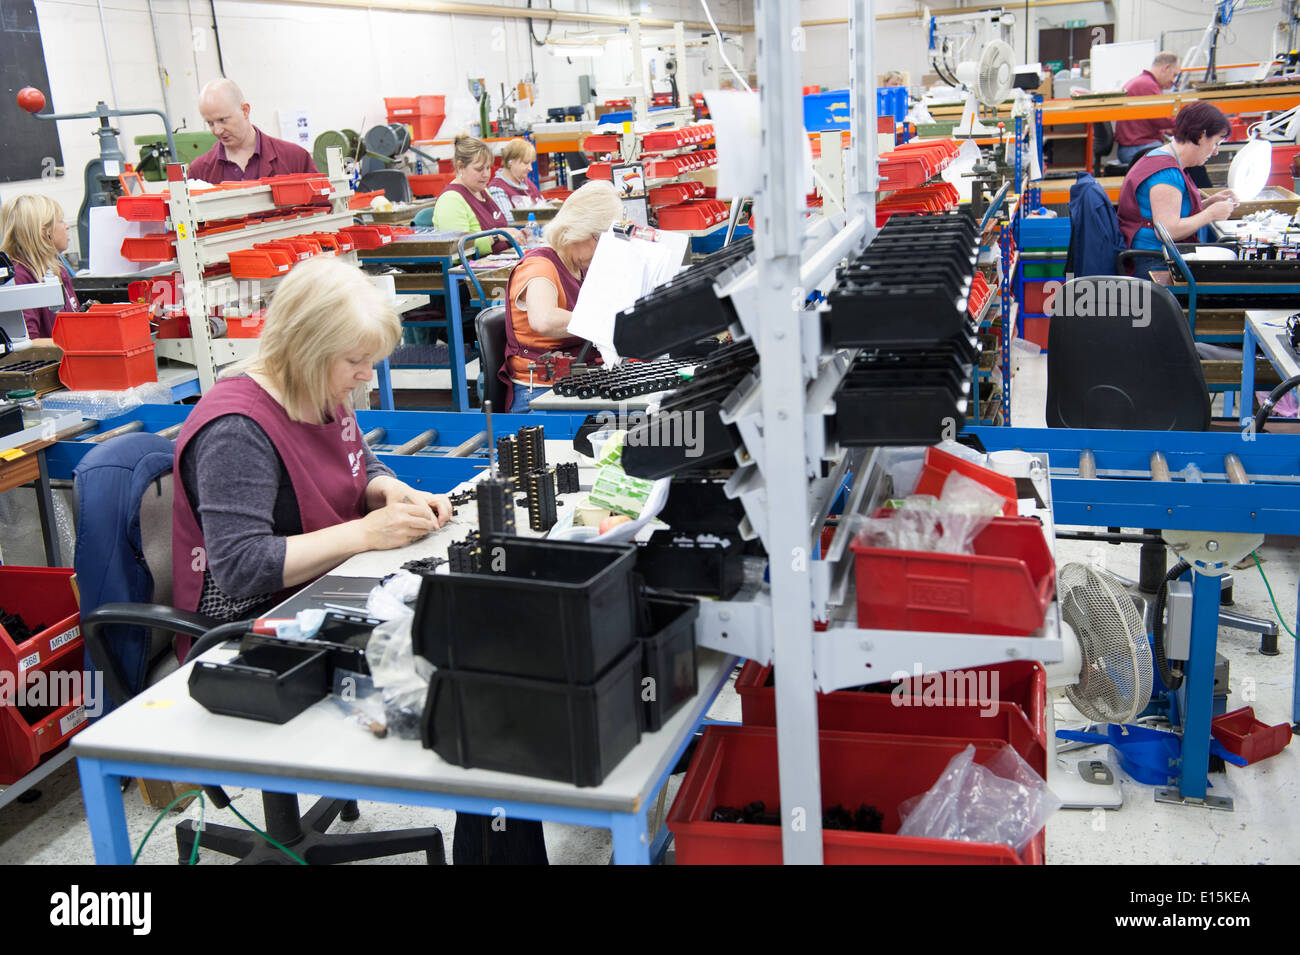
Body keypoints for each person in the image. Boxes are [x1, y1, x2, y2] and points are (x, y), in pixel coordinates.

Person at [172, 256, 451, 624]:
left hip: (327, 582)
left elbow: (361, 466)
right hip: (253, 621)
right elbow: (241, 566)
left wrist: (390, 490)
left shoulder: (320, 392)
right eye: (355, 360)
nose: (366, 374)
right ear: (306, 352)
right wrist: (366, 533)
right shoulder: (236, 430)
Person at [499, 181, 622, 412]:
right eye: (600, 239)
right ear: (579, 230)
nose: (603, 249)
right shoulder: (540, 267)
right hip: (540, 394)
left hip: (576, 380)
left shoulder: (580, 267)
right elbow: (544, 320)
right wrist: (607, 321)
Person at [1117, 100, 1236, 278]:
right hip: (1153, 263)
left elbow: (1166, 211)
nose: (1215, 152)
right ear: (1202, 136)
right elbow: (1168, 229)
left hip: (1154, 257)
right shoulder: (1166, 173)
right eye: (1216, 143)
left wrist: (1207, 204)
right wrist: (1210, 214)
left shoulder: (1160, 156)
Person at [189, 78, 319, 183]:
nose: (217, 130)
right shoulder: (199, 173)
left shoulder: (295, 158)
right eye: (210, 123)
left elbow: (321, 209)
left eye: (223, 120)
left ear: (245, 110)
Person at [432, 135, 527, 256]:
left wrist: (516, 235)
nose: (486, 174)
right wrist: (496, 236)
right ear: (460, 167)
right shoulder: (451, 200)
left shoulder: (482, 191)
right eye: (479, 169)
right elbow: (458, 249)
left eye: (488, 168)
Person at [0, 194, 80, 339]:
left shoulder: (57, 269)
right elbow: (29, 344)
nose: (67, 226)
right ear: (45, 232)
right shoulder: (18, 277)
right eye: (61, 221)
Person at [1115, 52, 1181, 166]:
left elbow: (1146, 120)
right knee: (1181, 160)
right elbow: (1163, 119)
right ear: (1166, 68)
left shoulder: (1142, 82)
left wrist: (1166, 129)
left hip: (1132, 147)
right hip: (1138, 148)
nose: (1173, 81)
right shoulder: (1148, 86)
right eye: (1174, 75)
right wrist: (1189, 122)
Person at [488, 138, 546, 216]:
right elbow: (509, 221)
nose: (530, 168)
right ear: (510, 162)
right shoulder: (497, 189)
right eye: (526, 163)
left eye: (531, 163)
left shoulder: (526, 182)